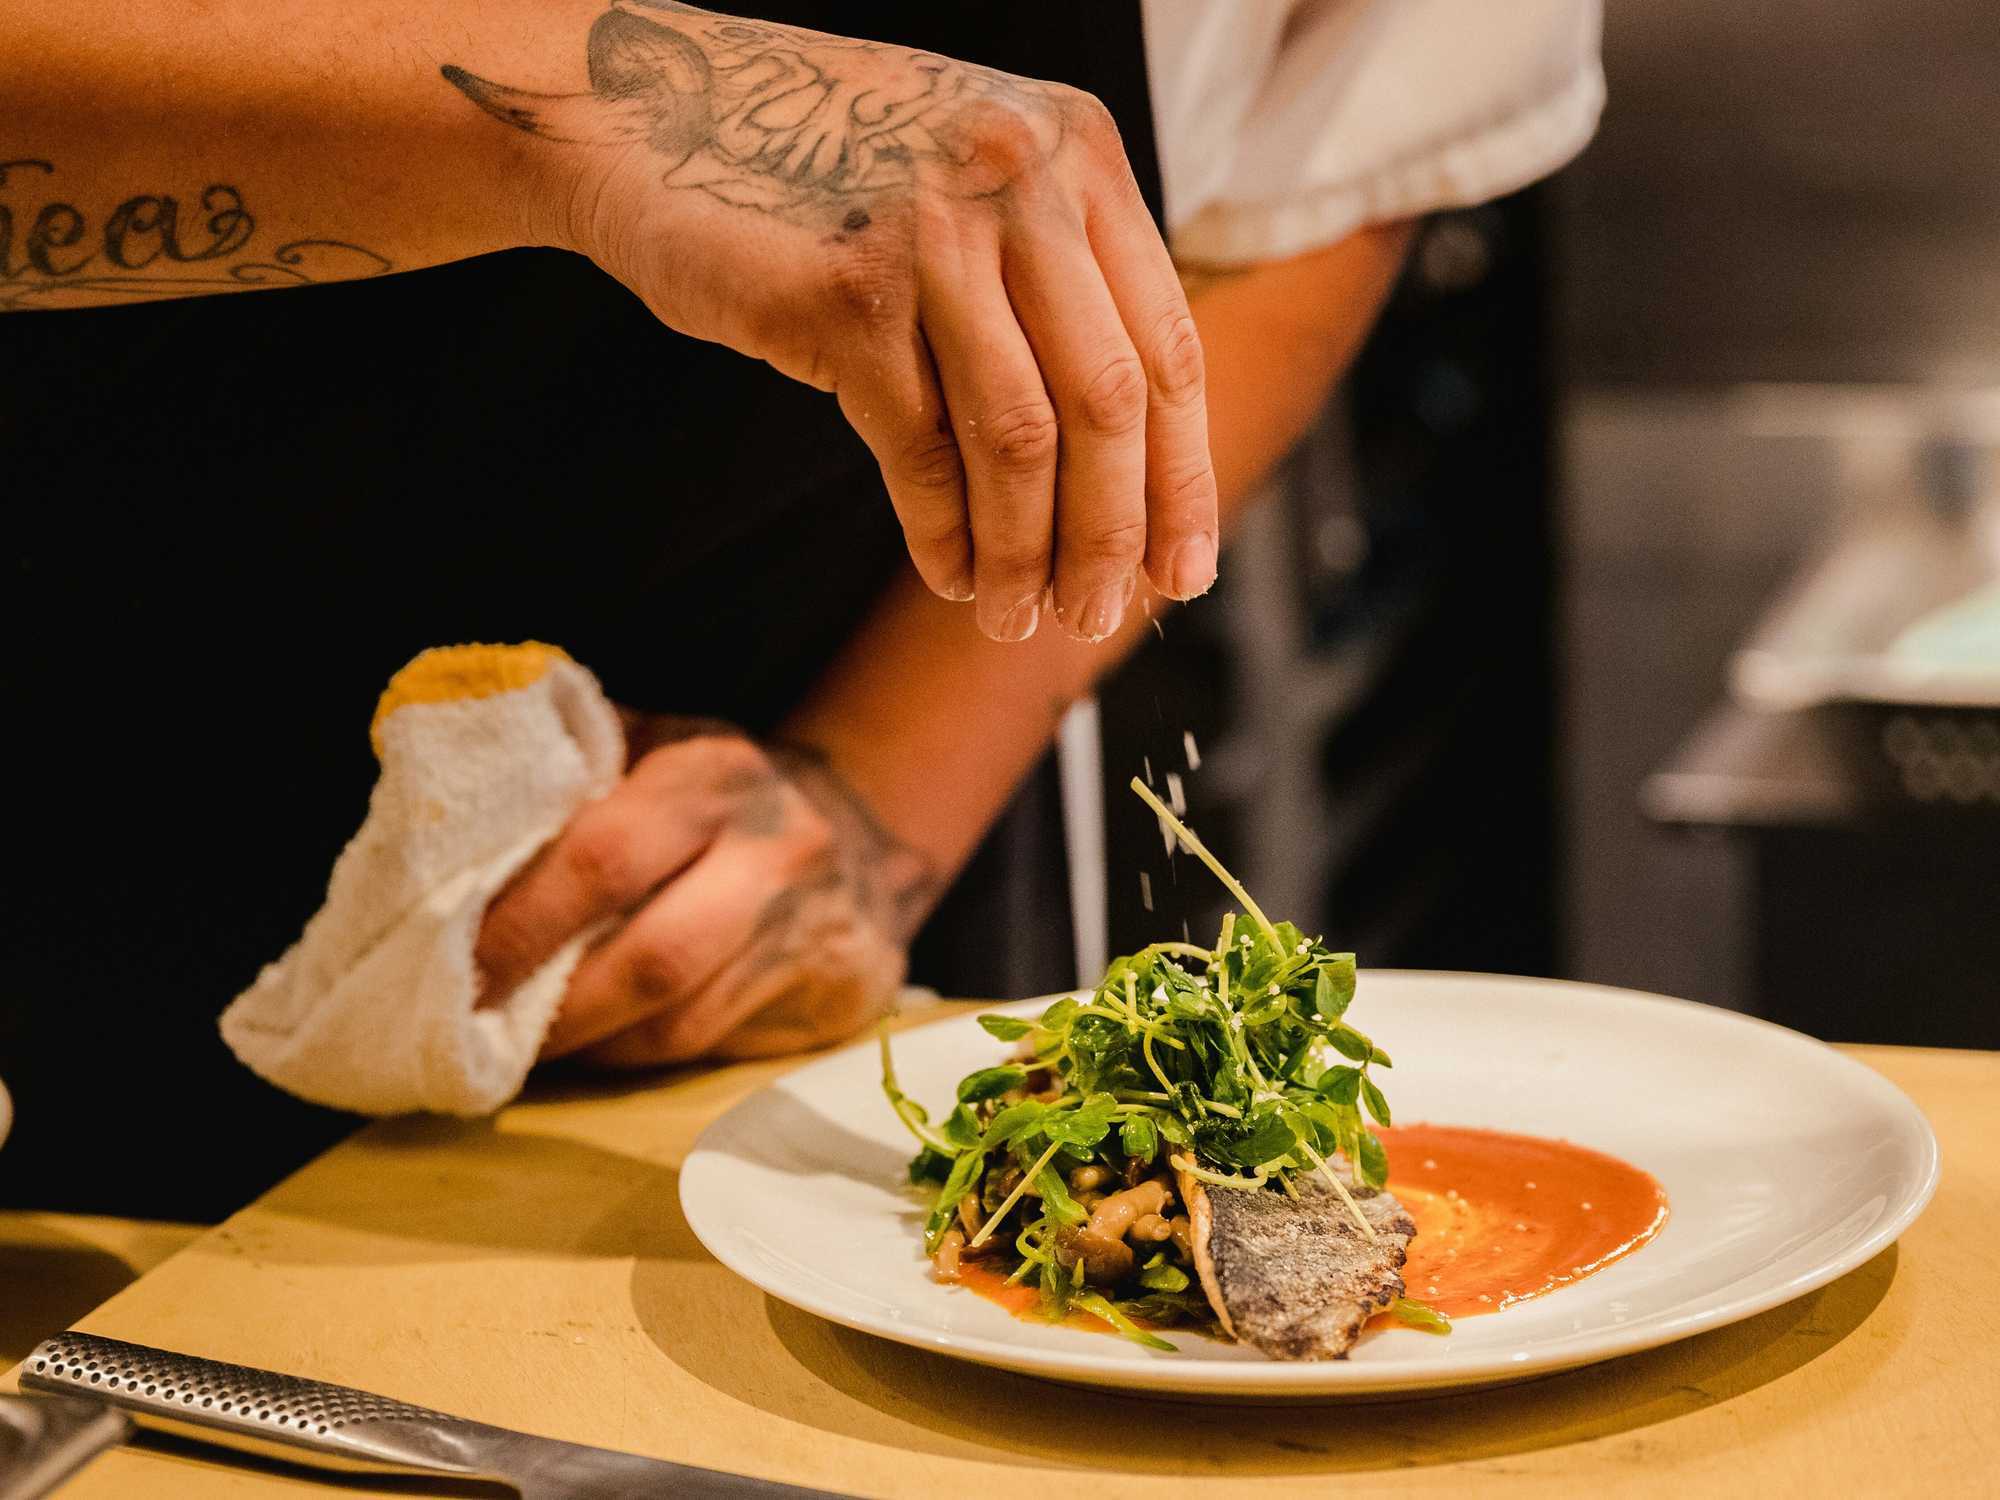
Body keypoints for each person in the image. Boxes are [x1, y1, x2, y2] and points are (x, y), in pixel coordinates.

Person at [0, 0, 1602, 1219]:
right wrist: (585, 110)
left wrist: (866, 806)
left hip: (760, 924)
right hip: (75, 802)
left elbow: (1331, 158)